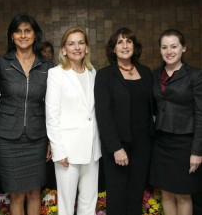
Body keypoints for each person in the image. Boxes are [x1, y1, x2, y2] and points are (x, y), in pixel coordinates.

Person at [0, 13, 52, 215]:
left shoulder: (47, 66)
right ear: (11, 36)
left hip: (37, 137)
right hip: (7, 138)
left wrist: (52, 139)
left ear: (35, 35)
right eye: (18, 31)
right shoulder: (1, 63)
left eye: (28, 30)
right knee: (16, 195)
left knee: (34, 192)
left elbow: (52, 106)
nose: (23, 35)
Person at [94, 27, 154, 215]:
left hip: (143, 145)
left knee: (136, 195)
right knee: (118, 196)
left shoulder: (146, 72)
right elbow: (103, 114)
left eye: (129, 41)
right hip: (118, 147)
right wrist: (116, 148)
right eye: (119, 42)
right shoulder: (104, 75)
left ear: (134, 46)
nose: (125, 45)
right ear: (113, 49)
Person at [45, 27, 102, 215]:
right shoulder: (56, 73)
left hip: (92, 149)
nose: (76, 47)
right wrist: (58, 149)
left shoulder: (93, 73)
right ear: (63, 49)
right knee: (66, 206)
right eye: (71, 43)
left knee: (89, 201)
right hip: (67, 151)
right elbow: (52, 114)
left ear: (86, 47)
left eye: (81, 42)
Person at [149, 29, 202, 215]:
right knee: (166, 195)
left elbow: (200, 115)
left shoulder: (195, 75)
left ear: (183, 48)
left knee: (183, 195)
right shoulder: (155, 75)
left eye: (174, 46)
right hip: (161, 142)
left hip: (184, 144)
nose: (169, 51)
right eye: (164, 47)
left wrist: (197, 151)